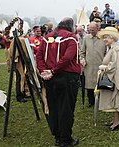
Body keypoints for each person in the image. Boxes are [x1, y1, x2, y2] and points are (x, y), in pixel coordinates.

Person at [36, 17, 80, 147]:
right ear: (70, 26)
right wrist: (53, 71)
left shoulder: (46, 37)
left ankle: (57, 136)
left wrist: (45, 71)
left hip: (50, 78)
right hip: (66, 77)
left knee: (54, 107)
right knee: (66, 108)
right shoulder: (71, 37)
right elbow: (67, 58)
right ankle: (65, 139)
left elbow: (39, 56)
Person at [97, 26, 119, 131]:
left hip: (115, 78)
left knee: (115, 99)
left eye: (106, 37)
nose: (104, 39)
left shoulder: (115, 49)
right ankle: (115, 120)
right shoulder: (113, 48)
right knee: (114, 99)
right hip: (114, 77)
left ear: (112, 38)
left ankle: (116, 122)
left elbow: (113, 66)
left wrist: (104, 68)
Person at [80, 22, 106, 107]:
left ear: (97, 29)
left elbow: (107, 52)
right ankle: (91, 101)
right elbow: (82, 52)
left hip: (100, 65)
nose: (91, 31)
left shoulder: (103, 38)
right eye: (89, 30)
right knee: (89, 84)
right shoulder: (86, 38)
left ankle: (101, 101)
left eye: (93, 30)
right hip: (89, 66)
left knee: (100, 83)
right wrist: (82, 60)